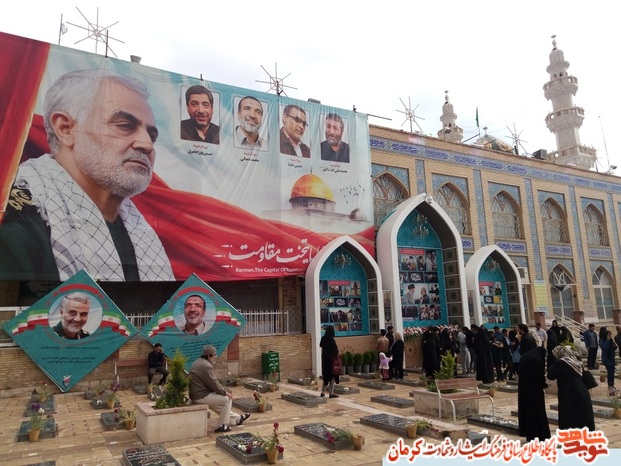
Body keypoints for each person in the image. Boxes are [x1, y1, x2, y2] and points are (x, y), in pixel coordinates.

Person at [0, 69, 174, 282]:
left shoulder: (138, 231)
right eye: (125, 126)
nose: (147, 145)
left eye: (152, 135)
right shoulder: (14, 218)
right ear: (65, 129)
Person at [189, 345, 250, 433]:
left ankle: (236, 419)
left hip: (197, 395)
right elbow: (213, 383)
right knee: (227, 399)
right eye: (214, 355)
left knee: (220, 406)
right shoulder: (206, 366)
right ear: (209, 356)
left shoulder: (199, 362)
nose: (216, 356)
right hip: (201, 396)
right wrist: (224, 392)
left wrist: (220, 391)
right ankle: (222, 426)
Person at [547, 345, 595, 431]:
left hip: (569, 393)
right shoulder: (576, 361)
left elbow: (550, 375)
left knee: (570, 416)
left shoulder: (561, 362)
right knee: (582, 415)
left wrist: (553, 364)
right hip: (582, 391)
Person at [517, 332, 550, 442]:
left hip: (525, 390)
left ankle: (530, 434)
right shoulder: (537, 359)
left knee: (529, 413)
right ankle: (540, 434)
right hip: (534, 391)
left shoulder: (525, 357)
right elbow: (538, 376)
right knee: (537, 413)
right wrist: (544, 385)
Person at [320, 325, 340, 398]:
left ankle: (322, 392)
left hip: (325, 360)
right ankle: (331, 393)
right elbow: (335, 351)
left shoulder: (323, 338)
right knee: (332, 377)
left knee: (325, 377)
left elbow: (321, 346)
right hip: (331, 361)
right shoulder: (331, 340)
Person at [599, 327, 618, 395]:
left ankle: (612, 384)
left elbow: (614, 347)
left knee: (612, 372)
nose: (609, 336)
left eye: (610, 335)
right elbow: (605, 347)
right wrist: (607, 340)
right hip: (606, 359)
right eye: (608, 334)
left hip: (611, 358)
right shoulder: (602, 340)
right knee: (610, 372)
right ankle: (610, 385)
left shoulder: (610, 340)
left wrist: (613, 345)